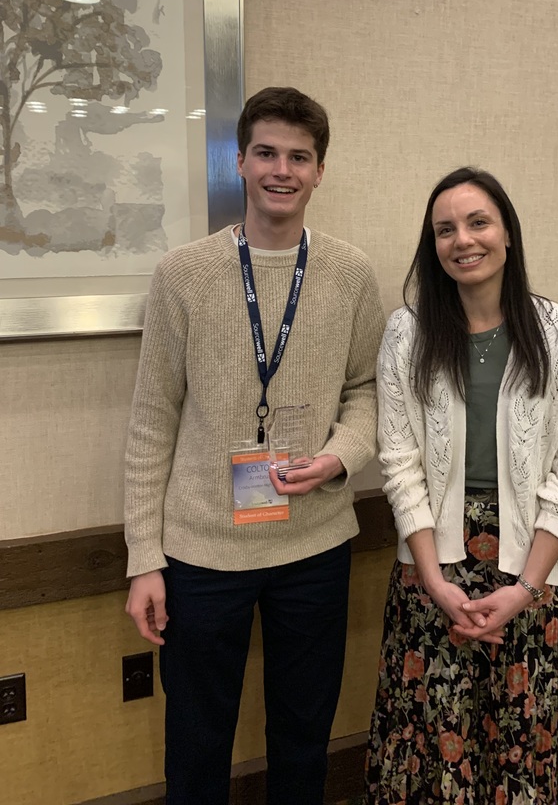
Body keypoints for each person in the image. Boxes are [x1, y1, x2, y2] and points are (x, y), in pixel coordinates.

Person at [123, 87, 385, 805]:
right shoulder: (183, 275)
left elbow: (369, 393)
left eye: (299, 156)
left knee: (304, 738)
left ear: (320, 171)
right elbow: (151, 423)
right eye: (266, 152)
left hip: (315, 546)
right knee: (198, 741)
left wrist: (339, 456)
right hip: (203, 552)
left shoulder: (353, 275)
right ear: (239, 161)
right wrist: (144, 557)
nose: (282, 169)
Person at [365, 166, 558, 804]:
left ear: (507, 234)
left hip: (536, 569)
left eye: (478, 222)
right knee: (432, 739)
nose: (462, 240)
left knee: (531, 738)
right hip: (433, 568)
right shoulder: (407, 333)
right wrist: (436, 583)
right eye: (445, 229)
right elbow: (400, 464)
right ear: (433, 246)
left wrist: (526, 587)